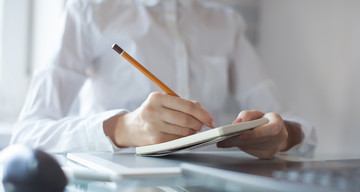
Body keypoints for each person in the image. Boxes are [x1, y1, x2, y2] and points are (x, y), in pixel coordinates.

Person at [11, 0, 316, 159]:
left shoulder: (225, 23)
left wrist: (282, 134)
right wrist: (122, 128)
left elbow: (295, 125)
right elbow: (26, 136)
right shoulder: (89, 13)